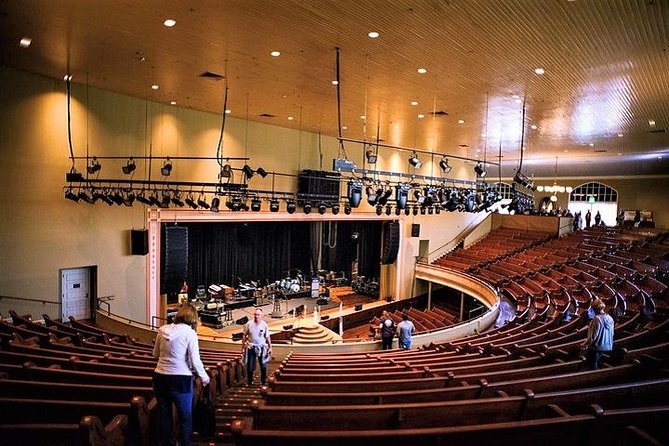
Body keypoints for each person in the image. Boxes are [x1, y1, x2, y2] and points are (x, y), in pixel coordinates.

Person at [153, 303, 210, 446]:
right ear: (193, 318)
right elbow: (195, 361)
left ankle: (167, 443)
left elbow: (155, 354)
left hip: (160, 377)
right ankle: (185, 443)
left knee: (165, 415)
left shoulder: (162, 330)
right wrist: (204, 378)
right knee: (185, 416)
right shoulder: (190, 333)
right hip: (180, 379)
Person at [242, 308, 272, 385]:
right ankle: (250, 381)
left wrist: (270, 347)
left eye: (258, 315)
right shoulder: (248, 324)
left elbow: (267, 336)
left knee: (263, 366)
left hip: (262, 347)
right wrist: (242, 347)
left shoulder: (264, 324)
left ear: (262, 316)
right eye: (255, 314)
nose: (256, 316)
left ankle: (263, 381)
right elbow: (244, 335)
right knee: (250, 366)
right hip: (251, 347)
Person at [582, 299, 614, 370]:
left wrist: (584, 344)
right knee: (597, 362)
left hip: (596, 346)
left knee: (592, 365)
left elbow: (593, 336)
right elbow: (612, 333)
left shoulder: (597, 319)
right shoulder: (610, 318)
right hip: (606, 345)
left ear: (594, 309)